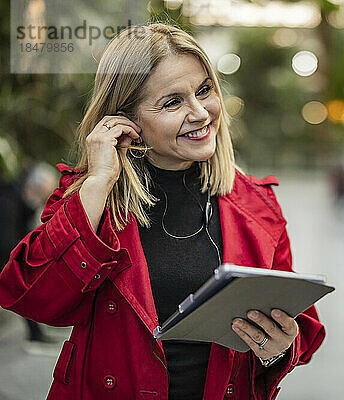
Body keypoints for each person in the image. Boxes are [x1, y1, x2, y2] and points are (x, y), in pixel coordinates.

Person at [0, 23, 325, 400]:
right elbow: (30, 295)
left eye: (204, 91)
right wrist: (98, 182)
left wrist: (279, 350)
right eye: (173, 102)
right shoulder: (92, 199)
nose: (201, 113)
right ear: (126, 121)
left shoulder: (257, 204)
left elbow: (299, 329)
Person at [0, 162, 61, 352]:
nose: (45, 198)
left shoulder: (25, 200)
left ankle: (35, 332)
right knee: (20, 283)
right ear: (33, 186)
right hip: (3, 252)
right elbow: (7, 240)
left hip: (6, 251)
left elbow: (26, 233)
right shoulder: (8, 199)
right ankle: (35, 333)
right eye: (45, 192)